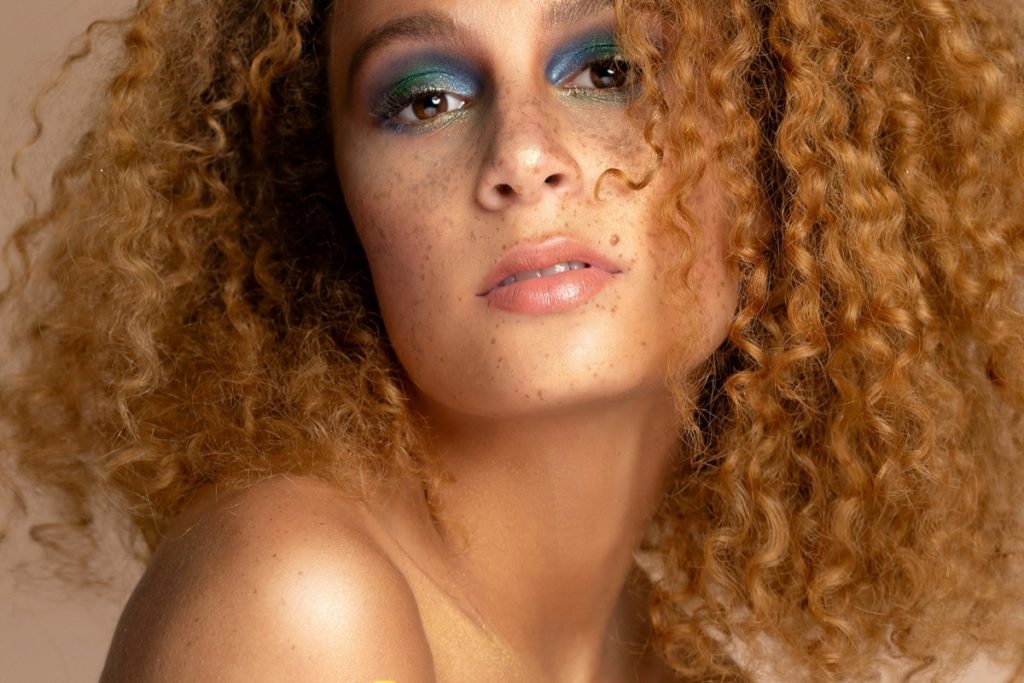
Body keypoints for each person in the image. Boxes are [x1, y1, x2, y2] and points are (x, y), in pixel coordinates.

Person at [1, 0, 1022, 680]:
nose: (524, 155)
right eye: (426, 99)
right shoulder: (299, 599)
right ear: (327, 195)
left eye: (610, 69)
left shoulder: (664, 659)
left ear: (778, 140)